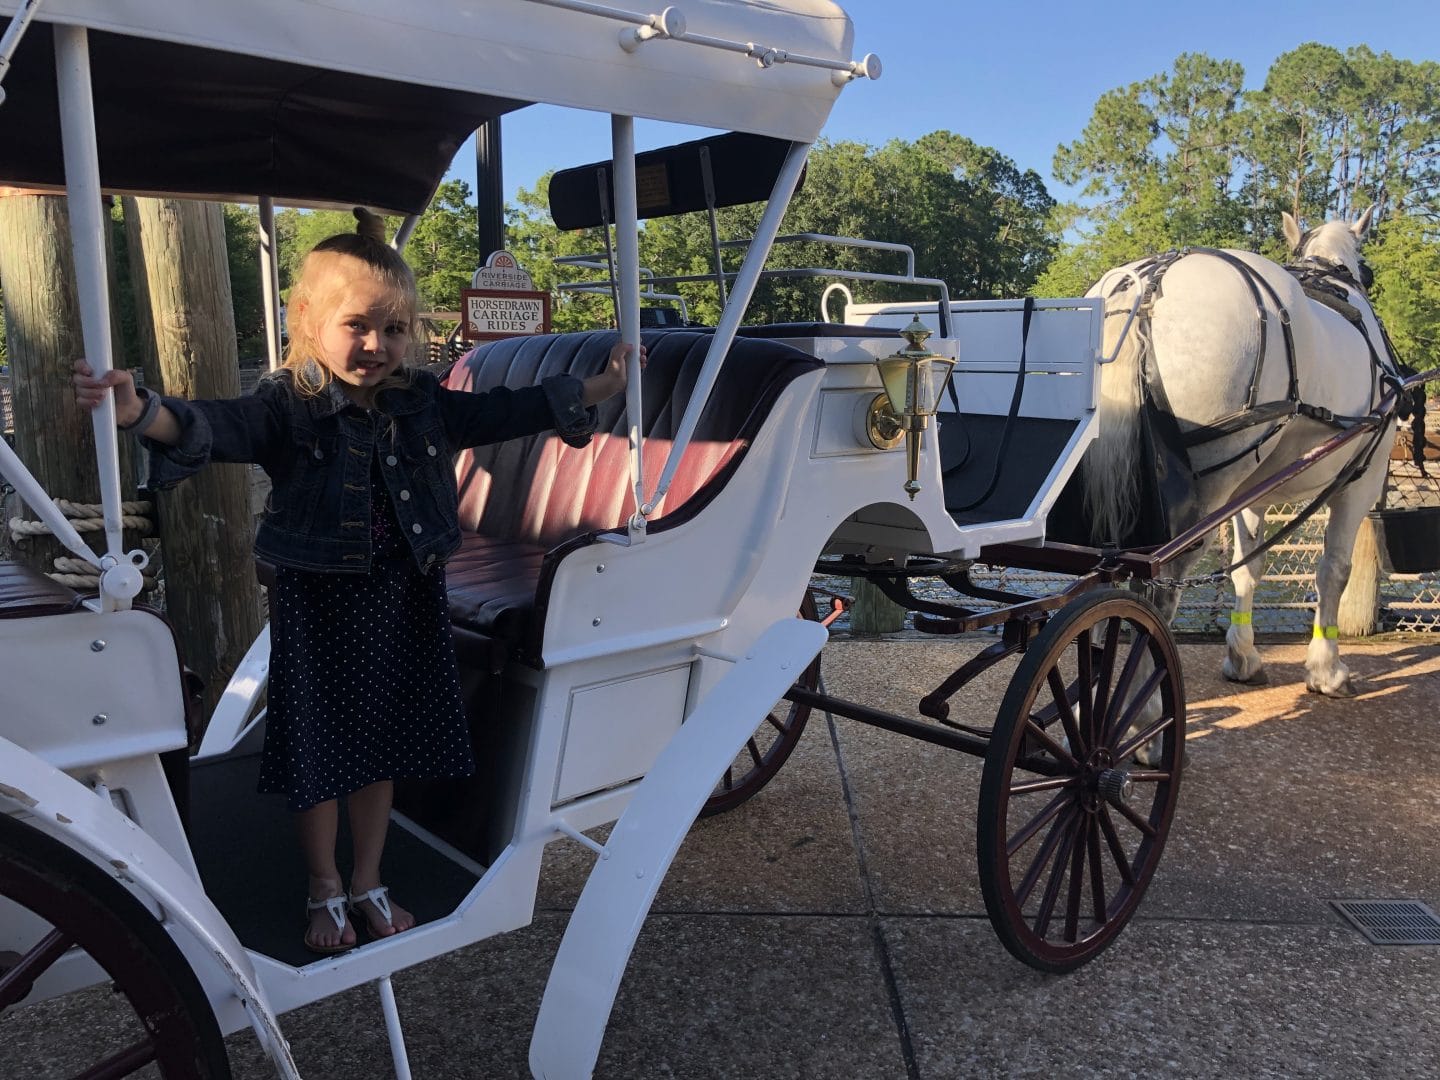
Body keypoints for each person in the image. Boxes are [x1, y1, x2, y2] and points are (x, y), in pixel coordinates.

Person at [74, 208, 643, 955]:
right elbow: (216, 425)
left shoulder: (423, 403)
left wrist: (593, 390)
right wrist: (141, 411)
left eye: (395, 328)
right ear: (307, 320)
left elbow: (503, 411)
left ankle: (369, 877)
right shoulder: (290, 406)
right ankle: (323, 884)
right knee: (320, 751)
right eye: (357, 326)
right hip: (321, 603)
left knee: (385, 745)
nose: (377, 345)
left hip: (407, 595)